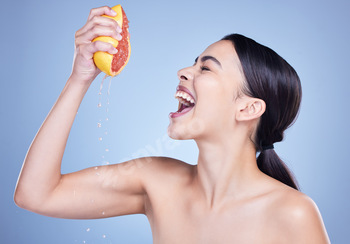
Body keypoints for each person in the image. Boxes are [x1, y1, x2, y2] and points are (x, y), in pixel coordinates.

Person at [14, 6, 330, 243]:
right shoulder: (155, 180)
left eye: (206, 69)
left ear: (248, 107)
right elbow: (36, 194)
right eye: (193, 63)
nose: (183, 71)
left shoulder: (292, 213)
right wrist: (79, 78)